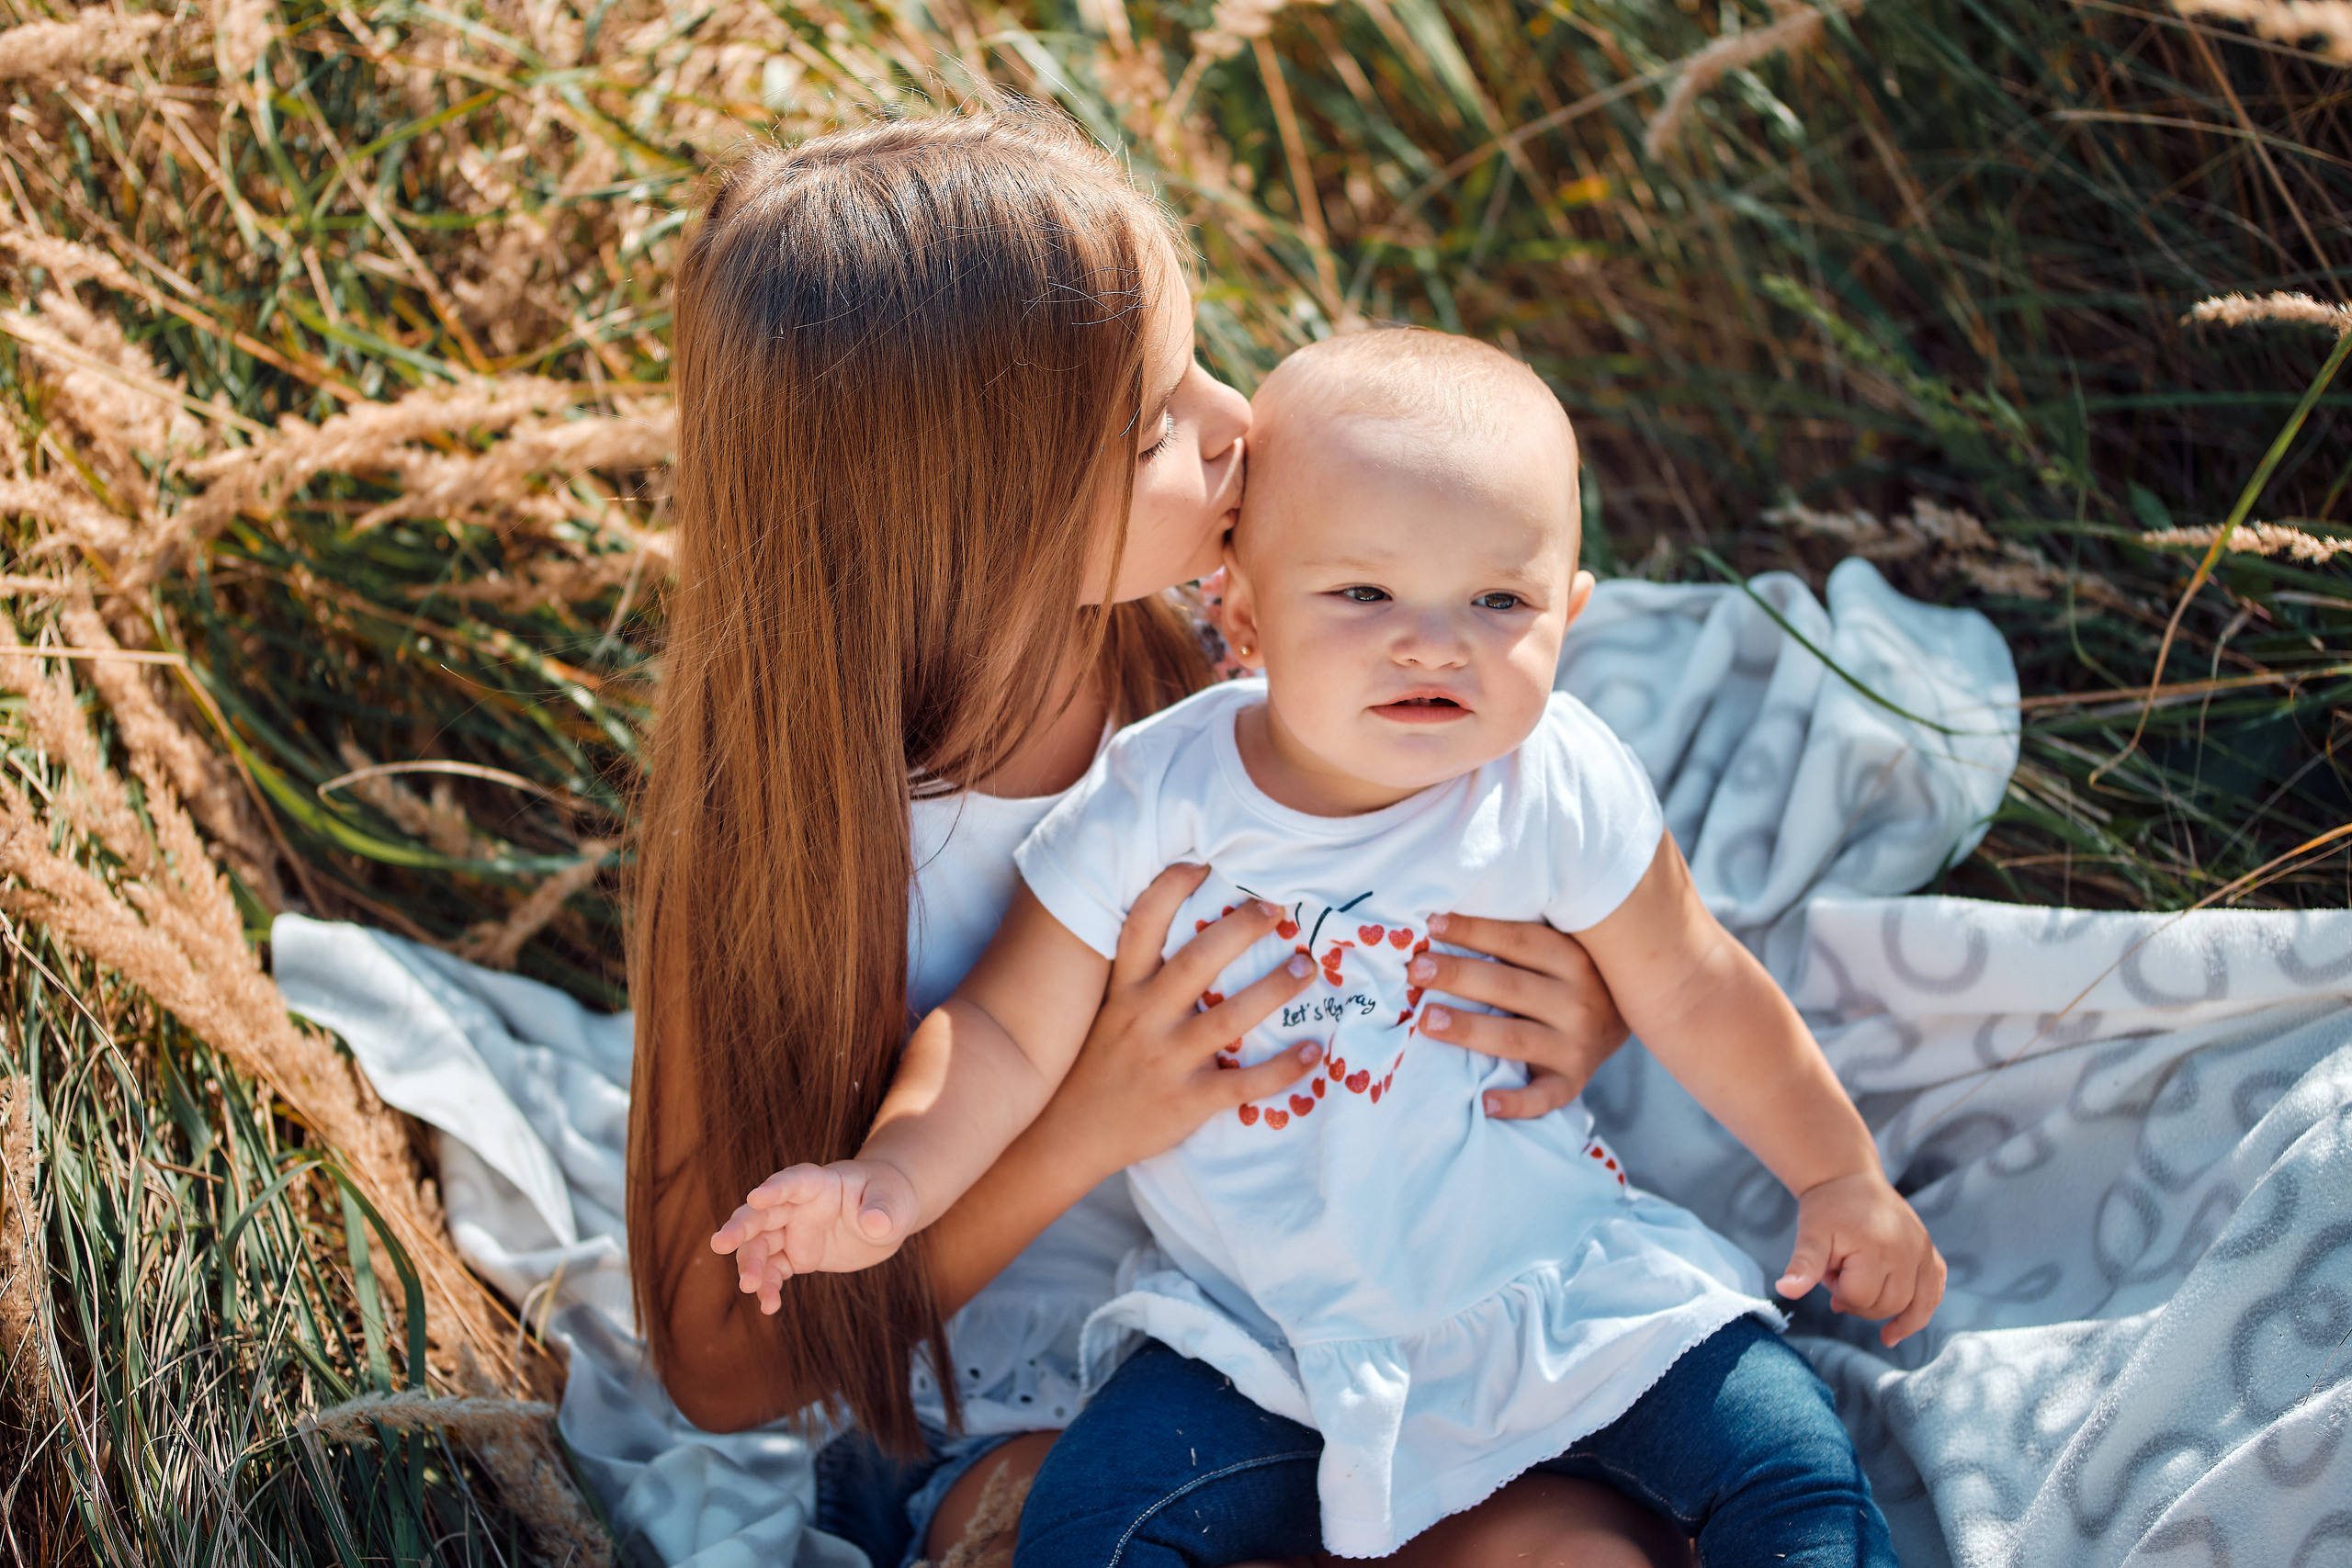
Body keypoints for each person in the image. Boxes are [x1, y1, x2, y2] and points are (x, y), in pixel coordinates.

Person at [629, 111, 1690, 1568]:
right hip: (1031, 1394)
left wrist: (1588, 1007)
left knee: (1585, 1555)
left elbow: (1461, 862)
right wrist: (1086, 1130)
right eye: (1157, 422)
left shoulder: (1224, 648)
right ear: (972, 512)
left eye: (1199, 363)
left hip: (1350, 1298)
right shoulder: (780, 858)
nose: (1239, 417)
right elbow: (718, 1368)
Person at [717, 328, 1947, 1565]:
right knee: (1095, 1525)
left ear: (1570, 615)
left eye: (1499, 601)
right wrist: (895, 1180)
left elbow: (1693, 977)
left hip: (1555, 1286)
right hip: (1257, 1337)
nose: (1433, 641)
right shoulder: (1158, 797)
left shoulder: (1553, 777)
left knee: (1790, 1461)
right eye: (1364, 594)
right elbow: (996, 1030)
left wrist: (1838, 1174)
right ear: (1242, 612)